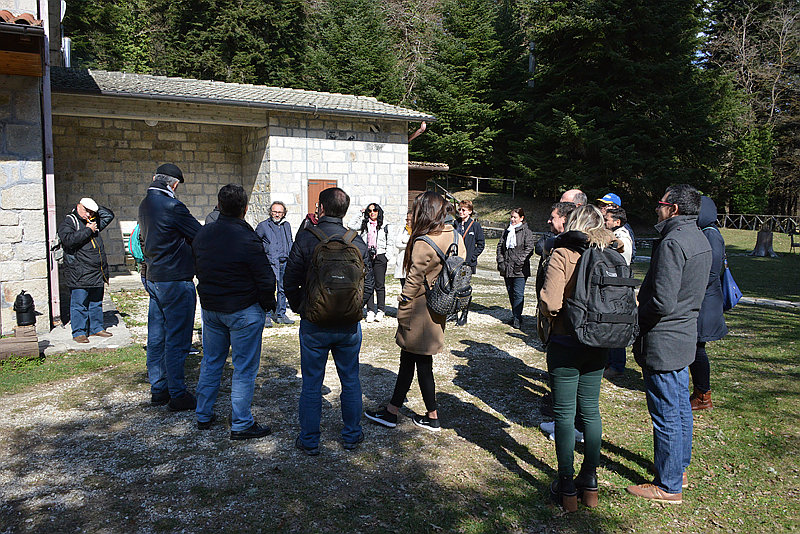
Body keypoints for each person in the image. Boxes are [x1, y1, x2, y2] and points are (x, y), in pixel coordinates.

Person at [627, 184, 712, 504]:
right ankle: (680, 469)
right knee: (679, 410)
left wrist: (637, 324)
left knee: (666, 414)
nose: (656, 210)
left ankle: (668, 484)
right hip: (684, 335)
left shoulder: (673, 241)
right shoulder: (699, 237)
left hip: (664, 338)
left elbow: (661, 301)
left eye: (660, 204)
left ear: (674, 209)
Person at [539, 205, 618, 511]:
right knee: (591, 411)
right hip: (600, 342)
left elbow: (550, 300)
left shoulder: (564, 252)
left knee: (563, 413)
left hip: (566, 340)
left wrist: (553, 316)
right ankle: (591, 480)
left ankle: (567, 484)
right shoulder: (612, 251)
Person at [365, 191, 465, 432]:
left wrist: (403, 305)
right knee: (414, 361)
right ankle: (404, 412)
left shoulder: (423, 240)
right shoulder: (453, 234)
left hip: (419, 309)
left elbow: (413, 280)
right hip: (439, 305)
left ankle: (420, 416)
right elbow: (461, 262)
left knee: (416, 362)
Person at [285, 187, 374, 455]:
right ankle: (352, 435)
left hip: (314, 324)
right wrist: (355, 306)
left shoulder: (306, 238)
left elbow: (290, 280)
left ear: (320, 208)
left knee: (312, 383)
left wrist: (301, 308)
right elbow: (368, 282)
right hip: (348, 324)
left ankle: (310, 441)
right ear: (344, 211)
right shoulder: (356, 241)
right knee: (351, 380)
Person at [192, 184, 277, 440]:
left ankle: (203, 413)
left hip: (213, 308)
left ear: (219, 205)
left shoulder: (203, 235)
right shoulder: (247, 237)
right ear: (245, 208)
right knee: (243, 368)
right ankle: (240, 422)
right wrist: (267, 304)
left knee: (212, 362)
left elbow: (197, 267)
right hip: (241, 309)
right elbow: (265, 278)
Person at [138, 163, 202, 412]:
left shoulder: (145, 204)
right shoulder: (173, 206)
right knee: (177, 338)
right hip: (175, 278)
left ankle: (159, 389)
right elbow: (200, 234)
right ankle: (177, 394)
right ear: (173, 185)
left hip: (154, 276)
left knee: (156, 337)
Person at [58, 197, 115, 343]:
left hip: (96, 271)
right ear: (78, 207)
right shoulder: (70, 222)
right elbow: (68, 240)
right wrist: (88, 230)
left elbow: (109, 215)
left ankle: (96, 328)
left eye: (91, 212)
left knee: (96, 302)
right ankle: (79, 332)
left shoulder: (93, 220)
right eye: (86, 211)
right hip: (79, 272)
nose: (89, 215)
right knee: (79, 304)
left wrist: (94, 207)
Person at [690, 196, 728, 410]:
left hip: (706, 302)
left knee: (697, 348)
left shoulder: (711, 235)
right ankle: (700, 391)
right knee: (696, 347)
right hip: (705, 300)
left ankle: (703, 394)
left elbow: (710, 272)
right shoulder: (706, 233)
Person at [602, 207, 634, 379]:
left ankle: (617, 365)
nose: (604, 221)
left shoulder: (621, 238)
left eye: (607, 219)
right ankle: (610, 362)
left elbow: (618, 261)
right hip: (614, 284)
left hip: (618, 286)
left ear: (617, 222)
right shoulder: (616, 234)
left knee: (616, 325)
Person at [349, 202, 390, 323]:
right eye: (370, 211)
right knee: (368, 283)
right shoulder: (364, 224)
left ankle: (381, 310)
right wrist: (360, 213)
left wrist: (387, 256)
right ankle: (370, 310)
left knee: (379, 284)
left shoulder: (385, 225)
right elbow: (351, 226)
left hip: (380, 256)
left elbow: (390, 242)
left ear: (379, 212)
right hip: (367, 256)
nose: (372, 213)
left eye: (375, 210)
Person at [255, 201, 295, 326]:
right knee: (268, 289)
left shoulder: (286, 225)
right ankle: (267, 314)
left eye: (279, 212)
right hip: (270, 262)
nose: (277, 214)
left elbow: (290, 241)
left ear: (284, 213)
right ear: (270, 212)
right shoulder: (263, 226)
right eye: (274, 211)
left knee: (283, 289)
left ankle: (281, 314)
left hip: (285, 262)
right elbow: (255, 243)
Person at [496, 208, 536, 329]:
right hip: (507, 267)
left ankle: (517, 318)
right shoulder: (507, 231)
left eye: (515, 217)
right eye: (511, 217)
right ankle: (515, 315)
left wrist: (520, 261)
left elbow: (529, 248)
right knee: (510, 292)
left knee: (518, 293)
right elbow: (500, 246)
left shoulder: (526, 232)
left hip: (520, 269)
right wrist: (500, 260)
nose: (512, 219)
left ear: (521, 218)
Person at [453, 200, 485, 326]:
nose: (461, 212)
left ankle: (464, 314)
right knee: (453, 288)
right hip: (455, 262)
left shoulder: (475, 226)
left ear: (470, 211)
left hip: (467, 263)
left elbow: (481, 244)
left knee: (464, 289)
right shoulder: (455, 224)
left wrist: (472, 257)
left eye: (463, 210)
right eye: (459, 209)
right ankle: (453, 313)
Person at [597, 193, 636, 260]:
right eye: (601, 204)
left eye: (605, 205)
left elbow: (632, 253)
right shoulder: (602, 224)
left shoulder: (624, 229)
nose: (602, 208)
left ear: (616, 207)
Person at [393, 212, 412, 288]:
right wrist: (409, 245)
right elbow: (397, 243)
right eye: (407, 220)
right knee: (403, 285)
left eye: (411, 220)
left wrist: (405, 241)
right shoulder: (402, 230)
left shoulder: (417, 231)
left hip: (412, 261)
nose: (408, 222)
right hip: (403, 259)